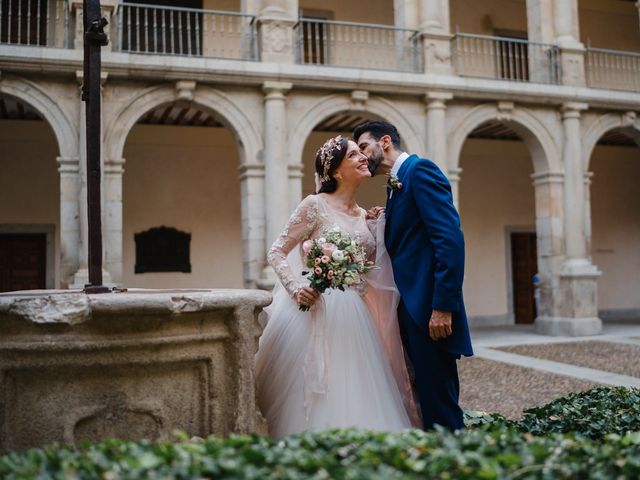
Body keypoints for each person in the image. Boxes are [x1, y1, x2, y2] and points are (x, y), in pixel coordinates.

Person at [254, 135, 418, 438]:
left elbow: (370, 269)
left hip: (356, 315)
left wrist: (379, 227)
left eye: (360, 153)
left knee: (358, 384)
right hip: (316, 308)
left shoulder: (364, 215)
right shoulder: (314, 205)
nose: (363, 158)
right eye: (354, 155)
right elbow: (276, 251)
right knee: (314, 390)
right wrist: (294, 287)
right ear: (336, 172)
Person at [353, 120, 473, 431]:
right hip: (411, 310)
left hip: (430, 311)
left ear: (386, 142)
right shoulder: (396, 183)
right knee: (424, 399)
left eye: (364, 147)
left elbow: (449, 240)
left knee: (439, 402)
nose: (362, 156)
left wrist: (443, 306)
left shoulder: (420, 171)